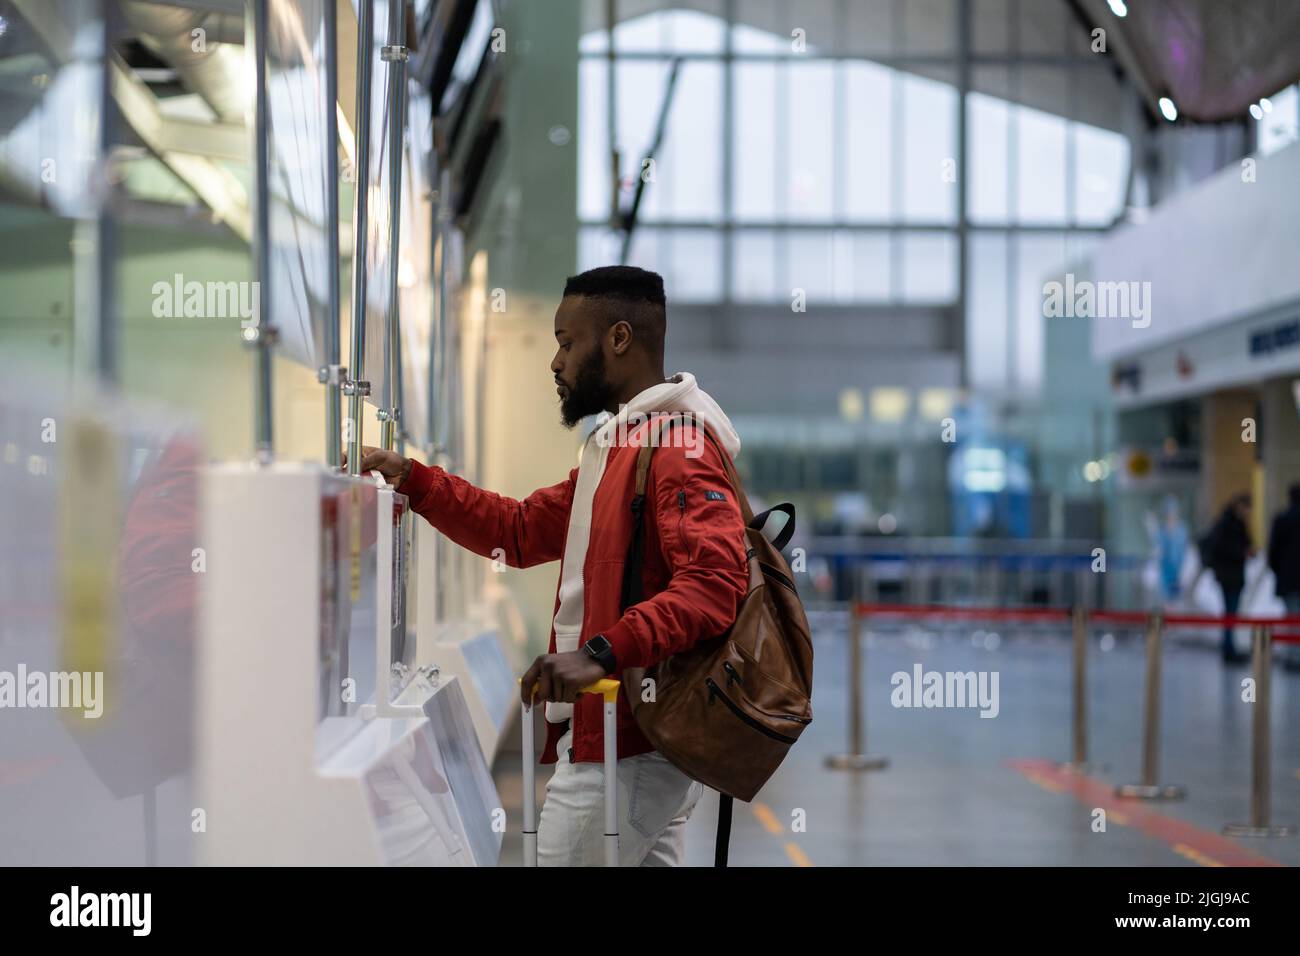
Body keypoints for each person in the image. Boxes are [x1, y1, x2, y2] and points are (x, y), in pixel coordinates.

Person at [352, 266, 749, 866]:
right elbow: (516, 531)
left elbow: (714, 587)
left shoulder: (678, 450)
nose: (555, 363)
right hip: (625, 739)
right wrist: (416, 481)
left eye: (567, 343)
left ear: (619, 338)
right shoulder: (621, 453)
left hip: (628, 745)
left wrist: (598, 654)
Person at [1201, 493, 1254, 663]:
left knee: (1231, 614)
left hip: (1233, 575)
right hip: (1229, 575)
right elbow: (1223, 548)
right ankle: (1228, 649)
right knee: (1230, 614)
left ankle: (1229, 648)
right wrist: (1241, 553)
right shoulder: (1227, 524)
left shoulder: (1235, 523)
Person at [1266, 483, 1300, 670]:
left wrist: (1278, 570)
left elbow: (1273, 551)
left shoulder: (1282, 519)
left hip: (1288, 579)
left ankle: (1293, 657)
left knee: (1292, 617)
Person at [1155, 497, 1188, 602]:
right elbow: (1159, 551)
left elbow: (1185, 552)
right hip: (1165, 572)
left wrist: (1184, 573)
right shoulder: (1162, 531)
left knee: (1178, 602)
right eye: (1169, 513)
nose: (1171, 515)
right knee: (1166, 602)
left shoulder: (1182, 530)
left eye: (1173, 512)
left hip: (1179, 572)